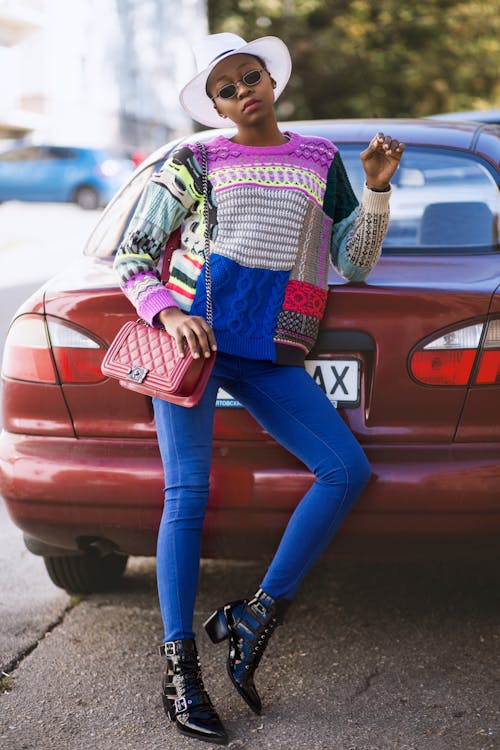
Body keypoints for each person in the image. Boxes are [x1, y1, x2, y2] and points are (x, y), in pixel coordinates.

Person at [114, 32, 405, 746]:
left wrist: (375, 186)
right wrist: (169, 312)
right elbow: (133, 255)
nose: (244, 89)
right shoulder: (195, 159)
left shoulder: (319, 160)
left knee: (345, 471)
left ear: (271, 81)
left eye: (252, 76)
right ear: (214, 107)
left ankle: (255, 615)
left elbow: (354, 262)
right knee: (188, 495)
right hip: (198, 347)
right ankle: (182, 667)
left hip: (273, 350)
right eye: (226, 87)